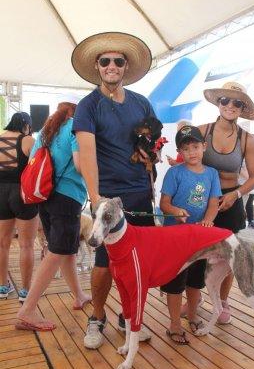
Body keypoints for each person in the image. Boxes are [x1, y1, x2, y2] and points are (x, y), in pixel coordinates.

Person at [72, 32, 158, 349]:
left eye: (117, 61)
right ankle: (97, 318)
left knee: (137, 263)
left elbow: (149, 145)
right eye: (105, 60)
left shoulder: (141, 103)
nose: (111, 66)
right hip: (108, 199)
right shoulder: (88, 106)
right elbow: (87, 155)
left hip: (139, 195)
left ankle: (127, 317)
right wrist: (96, 199)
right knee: (104, 263)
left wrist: (153, 154)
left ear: (125, 67)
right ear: (97, 66)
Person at [16, 102, 90, 330]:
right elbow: (79, 165)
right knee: (57, 251)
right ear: (75, 114)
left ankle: (79, 295)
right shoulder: (76, 129)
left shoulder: (45, 132)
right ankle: (27, 310)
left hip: (45, 197)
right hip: (67, 197)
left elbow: (33, 162)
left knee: (65, 249)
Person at [193, 81, 254, 324]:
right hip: (202, 199)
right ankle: (194, 298)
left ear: (242, 108)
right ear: (218, 103)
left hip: (231, 200)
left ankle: (222, 301)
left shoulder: (247, 140)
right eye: (225, 100)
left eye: (237, 102)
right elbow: (186, 160)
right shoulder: (201, 130)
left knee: (228, 257)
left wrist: (236, 194)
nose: (230, 105)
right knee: (196, 252)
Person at [160, 126, 221, 344]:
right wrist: (176, 212)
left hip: (199, 238)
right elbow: (164, 203)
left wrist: (208, 220)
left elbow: (214, 203)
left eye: (195, 147)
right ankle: (174, 323)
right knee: (176, 281)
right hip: (175, 237)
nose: (192, 152)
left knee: (195, 281)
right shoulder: (174, 172)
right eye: (186, 149)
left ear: (204, 147)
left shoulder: (212, 174)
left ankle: (193, 316)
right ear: (179, 152)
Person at [0, 112, 38, 301]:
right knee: (26, 245)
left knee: (2, 244)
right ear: (26, 125)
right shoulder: (28, 140)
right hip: (22, 194)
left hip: (0, 195)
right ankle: (25, 291)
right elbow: (39, 168)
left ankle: (2, 287)